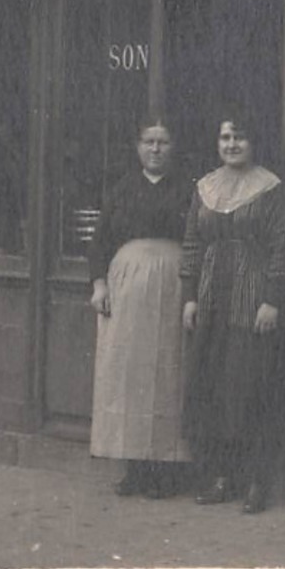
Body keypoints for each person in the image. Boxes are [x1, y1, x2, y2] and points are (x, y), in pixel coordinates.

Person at [181, 110, 285, 514]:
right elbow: (192, 244)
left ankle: (256, 481)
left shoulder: (270, 189)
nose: (232, 145)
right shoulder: (205, 187)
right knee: (214, 388)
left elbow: (283, 248)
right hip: (213, 299)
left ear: (253, 143)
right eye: (226, 137)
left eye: (240, 138)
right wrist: (190, 296)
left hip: (251, 299)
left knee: (248, 388)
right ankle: (221, 475)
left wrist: (272, 299)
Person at [88, 117, 192, 497]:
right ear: (137, 147)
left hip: (172, 290)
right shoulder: (121, 190)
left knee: (166, 373)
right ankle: (134, 468)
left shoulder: (187, 191)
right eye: (149, 141)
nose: (155, 149)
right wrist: (99, 283)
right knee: (129, 374)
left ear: (173, 148)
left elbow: (196, 243)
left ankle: (166, 470)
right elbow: (100, 242)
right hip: (127, 292)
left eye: (163, 142)